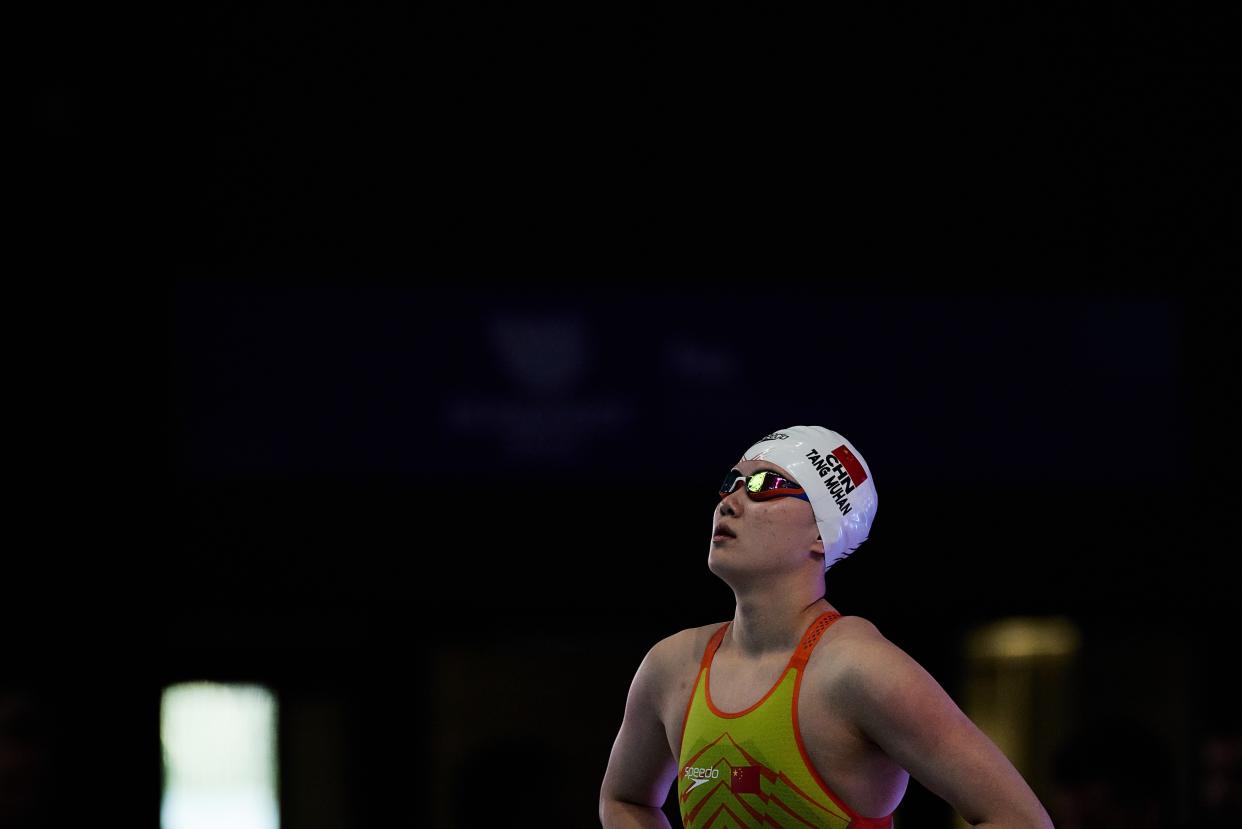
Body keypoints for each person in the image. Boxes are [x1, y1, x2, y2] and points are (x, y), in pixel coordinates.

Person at [599, 426, 1053, 828]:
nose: (730, 502)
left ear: (822, 533)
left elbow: (1020, 818)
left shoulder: (858, 669)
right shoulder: (672, 667)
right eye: (730, 484)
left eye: (764, 486)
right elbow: (624, 800)